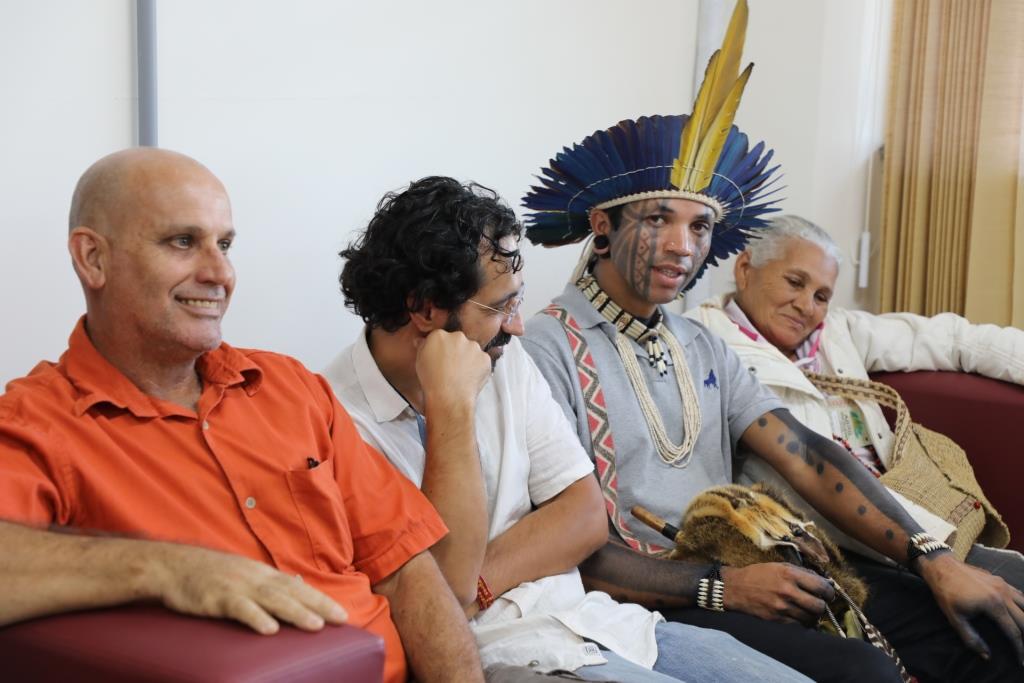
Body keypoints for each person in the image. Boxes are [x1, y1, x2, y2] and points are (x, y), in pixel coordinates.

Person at [519, 2, 1024, 681]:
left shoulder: (701, 345)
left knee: (995, 630)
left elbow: (808, 455)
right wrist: (719, 587)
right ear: (603, 226)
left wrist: (931, 558)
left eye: (700, 226)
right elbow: (564, 541)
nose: (682, 245)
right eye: (660, 217)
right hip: (657, 597)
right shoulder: (544, 348)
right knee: (864, 672)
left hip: (757, 565)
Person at [0, 148, 482, 683]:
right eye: (182, 242)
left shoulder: (291, 387)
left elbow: (408, 572)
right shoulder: (39, 422)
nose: (220, 273)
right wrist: (166, 567)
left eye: (224, 245)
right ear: (93, 258)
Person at [324, 175, 810, 682]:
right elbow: (447, 583)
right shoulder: (337, 420)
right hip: (508, 653)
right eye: (500, 306)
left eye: (517, 302)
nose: (517, 325)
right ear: (425, 309)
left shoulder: (503, 357)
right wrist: (452, 408)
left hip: (605, 625)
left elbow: (583, 515)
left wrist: (480, 585)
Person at [685, 213, 1024, 664]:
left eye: (821, 295)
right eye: (794, 282)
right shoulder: (705, 345)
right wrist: (929, 551)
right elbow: (798, 475)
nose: (806, 306)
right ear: (745, 268)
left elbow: (953, 340)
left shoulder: (838, 333)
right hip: (841, 539)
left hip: (912, 516)